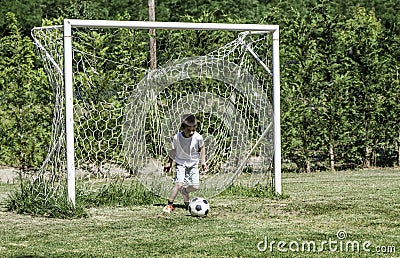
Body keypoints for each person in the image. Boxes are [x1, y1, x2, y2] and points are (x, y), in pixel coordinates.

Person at [163, 114, 208, 213]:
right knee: (178, 184)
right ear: (182, 128)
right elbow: (173, 150)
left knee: (195, 186)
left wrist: (203, 162)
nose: (191, 132)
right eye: (189, 130)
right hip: (181, 163)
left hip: (193, 164)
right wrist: (169, 163)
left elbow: (202, 147)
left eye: (193, 129)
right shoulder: (177, 138)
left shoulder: (198, 137)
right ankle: (169, 204)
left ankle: (185, 191)